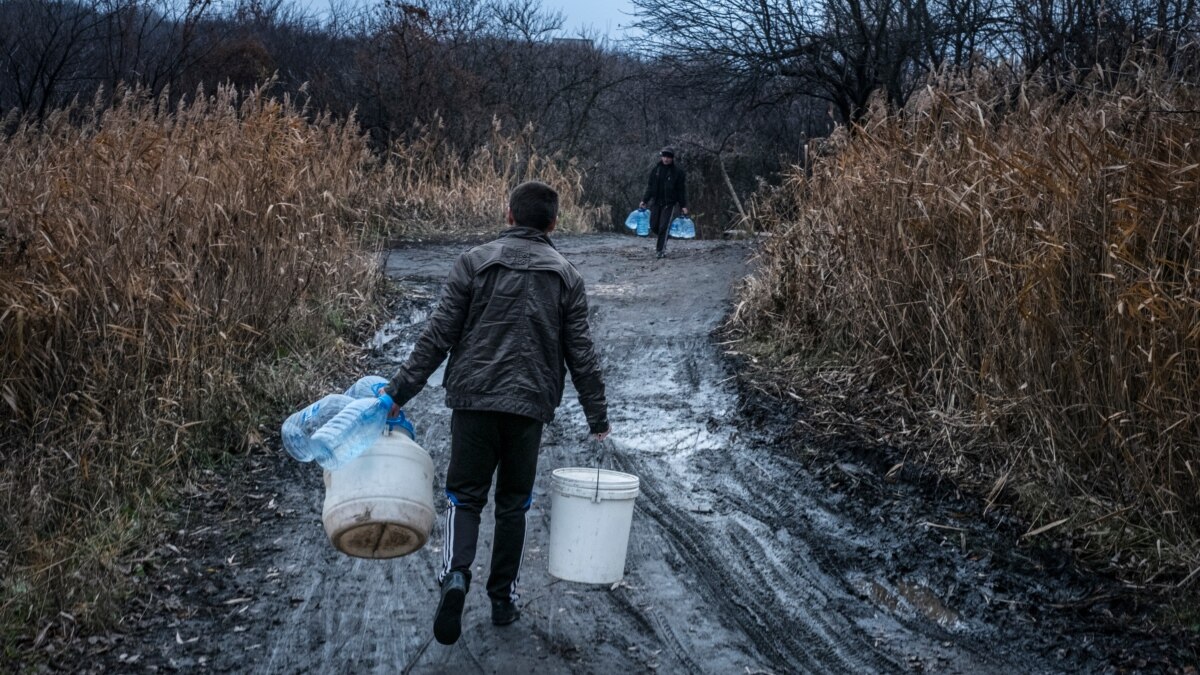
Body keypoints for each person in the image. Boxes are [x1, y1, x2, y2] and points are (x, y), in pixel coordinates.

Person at [385, 180, 610, 646]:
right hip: (528, 408)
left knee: (465, 495)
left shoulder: (473, 262)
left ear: (509, 215)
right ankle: (502, 598)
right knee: (514, 503)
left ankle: (455, 577)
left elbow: (437, 336)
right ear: (553, 223)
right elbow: (581, 354)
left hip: (474, 399)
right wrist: (597, 418)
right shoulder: (566, 276)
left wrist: (397, 393)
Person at [639, 146, 688, 259]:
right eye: (664, 156)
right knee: (653, 225)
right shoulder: (656, 170)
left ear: (672, 158)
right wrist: (644, 200)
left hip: (669, 204)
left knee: (663, 227)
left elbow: (681, 191)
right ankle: (665, 236)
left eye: (668, 157)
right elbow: (650, 187)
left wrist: (683, 205)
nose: (666, 159)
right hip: (656, 202)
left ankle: (660, 250)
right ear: (661, 157)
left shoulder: (678, 173)